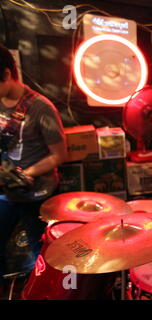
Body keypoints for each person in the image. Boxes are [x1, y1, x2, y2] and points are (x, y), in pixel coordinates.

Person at [0, 44, 67, 291]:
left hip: (37, 193)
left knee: (39, 255)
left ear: (7, 74)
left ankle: (37, 291)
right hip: (5, 192)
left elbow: (59, 155)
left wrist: (24, 174)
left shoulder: (41, 108)